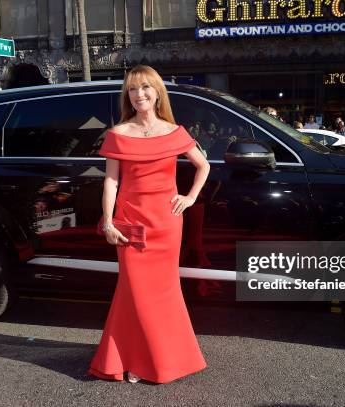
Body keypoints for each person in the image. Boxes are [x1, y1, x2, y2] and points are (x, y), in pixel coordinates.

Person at [88, 65, 210, 384]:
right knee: (135, 292)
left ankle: (157, 359)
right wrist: (109, 223)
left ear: (157, 93)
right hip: (129, 223)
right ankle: (136, 358)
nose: (139, 94)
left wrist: (190, 197)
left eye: (145, 88)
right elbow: (111, 183)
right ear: (127, 96)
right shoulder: (118, 133)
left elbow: (203, 166)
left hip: (166, 224)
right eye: (132, 89)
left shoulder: (174, 131)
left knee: (163, 293)